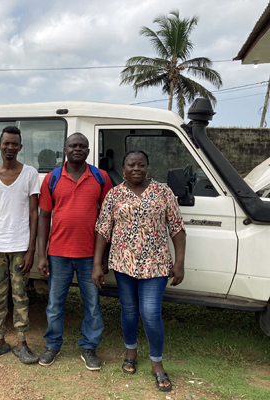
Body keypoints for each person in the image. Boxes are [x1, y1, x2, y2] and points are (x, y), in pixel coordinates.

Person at [92, 150, 186, 391]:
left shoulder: (163, 192)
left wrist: (179, 262)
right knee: (129, 310)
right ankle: (130, 351)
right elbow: (103, 230)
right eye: (131, 165)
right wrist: (97, 264)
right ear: (123, 169)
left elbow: (177, 228)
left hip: (155, 263)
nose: (136, 169)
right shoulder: (114, 194)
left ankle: (156, 362)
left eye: (141, 165)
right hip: (124, 263)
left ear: (147, 167)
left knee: (151, 312)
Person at [38, 132, 112, 370]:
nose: (78, 149)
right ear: (65, 149)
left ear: (88, 151)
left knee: (92, 304)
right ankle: (52, 345)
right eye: (73, 145)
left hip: (90, 255)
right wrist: (42, 255)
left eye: (82, 146)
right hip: (58, 253)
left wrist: (103, 258)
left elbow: (109, 218)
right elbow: (44, 217)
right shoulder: (52, 178)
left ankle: (89, 347)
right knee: (54, 303)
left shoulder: (101, 178)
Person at [0, 126, 40, 364]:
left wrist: (31, 250)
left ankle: (22, 342)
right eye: (7, 143)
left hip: (20, 244)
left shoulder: (30, 173)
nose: (10, 147)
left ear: (20, 147)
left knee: (21, 294)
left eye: (15, 144)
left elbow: (34, 213)